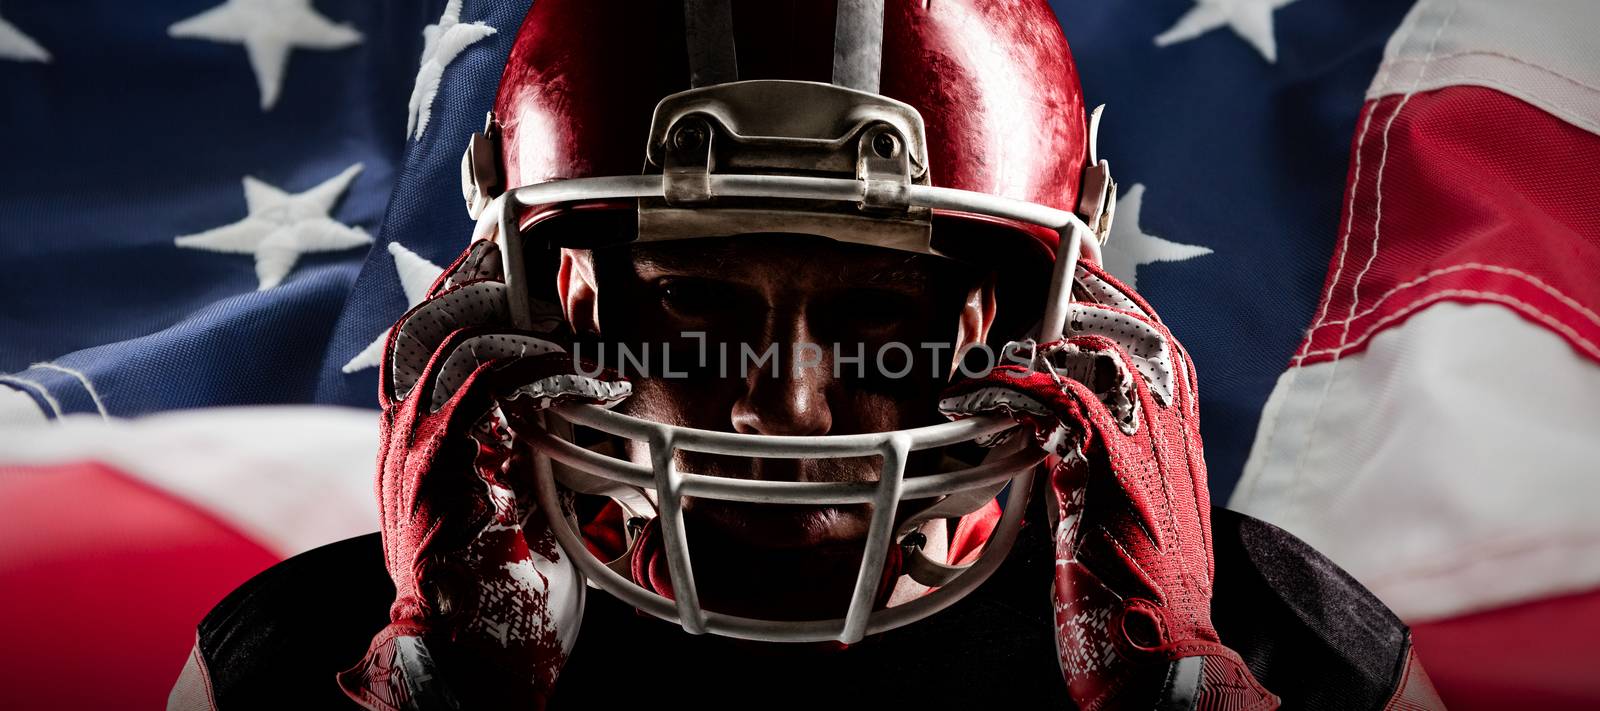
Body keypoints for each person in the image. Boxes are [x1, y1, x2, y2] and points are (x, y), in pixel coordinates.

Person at [169, 1, 1446, 709]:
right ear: (542, 290)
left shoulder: (1282, 633)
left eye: (882, 316)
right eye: (689, 305)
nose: (786, 406)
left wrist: (1179, 692)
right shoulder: (307, 651)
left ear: (1037, 303)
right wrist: (436, 692)